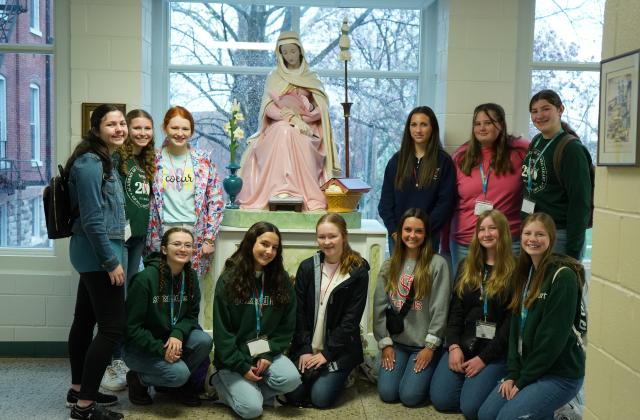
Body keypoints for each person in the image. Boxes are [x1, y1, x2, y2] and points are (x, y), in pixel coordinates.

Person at [478, 213, 585, 420]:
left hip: (559, 374)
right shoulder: (524, 273)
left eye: (540, 234)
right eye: (527, 233)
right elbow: (515, 330)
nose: (532, 239)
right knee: (486, 414)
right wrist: (512, 374)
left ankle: (563, 411)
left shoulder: (562, 277)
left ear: (551, 239)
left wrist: (522, 380)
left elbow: (551, 341)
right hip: (530, 368)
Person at [65, 104, 127, 420]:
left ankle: (78, 389)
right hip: (98, 255)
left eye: (121, 123)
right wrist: (110, 261)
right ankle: (85, 405)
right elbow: (91, 219)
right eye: (111, 124)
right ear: (96, 128)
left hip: (92, 254)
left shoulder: (102, 159)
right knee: (112, 328)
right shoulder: (91, 164)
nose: (119, 128)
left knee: (85, 320)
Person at [238, 30, 340, 211]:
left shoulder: (311, 78)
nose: (290, 56)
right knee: (284, 130)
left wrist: (309, 116)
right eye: (285, 52)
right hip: (280, 125)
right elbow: (268, 108)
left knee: (297, 136)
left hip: (308, 128)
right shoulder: (274, 77)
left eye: (293, 51)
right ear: (280, 54)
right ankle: (281, 188)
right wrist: (290, 118)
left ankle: (306, 193)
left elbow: (322, 108)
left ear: (300, 51)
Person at [430, 210, 515, 419]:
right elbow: (455, 310)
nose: (486, 234)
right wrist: (453, 346)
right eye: (482, 229)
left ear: (503, 232)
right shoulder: (466, 266)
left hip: (494, 351)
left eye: (492, 229)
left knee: (470, 409)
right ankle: (471, 382)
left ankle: (487, 380)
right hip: (465, 343)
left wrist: (483, 360)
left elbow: (510, 325)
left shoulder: (515, 270)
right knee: (442, 400)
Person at [211, 222, 301, 419]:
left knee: (292, 380)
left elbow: (287, 327)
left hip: (264, 349)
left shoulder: (281, 280)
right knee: (251, 410)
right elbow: (222, 332)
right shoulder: (228, 279)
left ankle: (251, 392)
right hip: (234, 357)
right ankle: (219, 382)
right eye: (264, 244)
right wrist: (241, 366)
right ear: (251, 243)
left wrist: (268, 354)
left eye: (274, 247)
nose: (269, 251)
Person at [286, 213, 370, 408]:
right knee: (294, 394)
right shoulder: (307, 267)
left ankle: (341, 373)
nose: (326, 242)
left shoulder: (358, 272)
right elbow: (298, 312)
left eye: (332, 236)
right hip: (308, 345)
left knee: (320, 399)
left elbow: (351, 320)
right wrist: (305, 349)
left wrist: (327, 354)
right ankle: (315, 373)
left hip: (338, 349)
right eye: (321, 237)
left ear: (344, 236)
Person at [101, 109, 157, 392]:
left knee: (130, 302)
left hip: (138, 240)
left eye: (147, 128)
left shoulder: (144, 160)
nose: (142, 133)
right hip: (118, 240)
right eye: (137, 128)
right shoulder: (115, 158)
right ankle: (112, 362)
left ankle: (125, 358)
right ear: (127, 129)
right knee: (117, 302)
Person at [123, 227, 212, 407]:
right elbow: (131, 328)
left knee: (203, 340)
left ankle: (174, 384)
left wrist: (178, 333)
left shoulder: (191, 276)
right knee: (179, 374)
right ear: (164, 249)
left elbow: (191, 315)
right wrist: (161, 350)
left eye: (188, 245)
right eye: (177, 244)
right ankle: (138, 379)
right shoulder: (144, 279)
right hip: (140, 348)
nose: (183, 249)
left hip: (170, 340)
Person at [373, 208, 451, 407]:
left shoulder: (437, 264)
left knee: (409, 397)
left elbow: (440, 309)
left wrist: (430, 347)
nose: (412, 235)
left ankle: (429, 373)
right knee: (388, 393)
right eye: (408, 230)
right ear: (399, 232)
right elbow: (379, 307)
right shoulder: (389, 265)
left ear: (426, 235)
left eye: (419, 231)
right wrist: (385, 343)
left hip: (422, 346)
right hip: (397, 343)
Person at [146, 106, 224, 276]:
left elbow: (215, 200)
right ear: (165, 128)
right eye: (174, 128)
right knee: (161, 285)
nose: (180, 133)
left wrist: (210, 237)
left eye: (185, 128)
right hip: (162, 231)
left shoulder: (203, 160)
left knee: (191, 288)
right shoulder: (152, 159)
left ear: (191, 130)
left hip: (195, 232)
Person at [450, 103, 529, 271]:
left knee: (508, 295)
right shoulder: (460, 157)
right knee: (465, 293)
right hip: (466, 241)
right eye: (477, 124)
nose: (482, 128)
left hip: (507, 240)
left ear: (500, 124)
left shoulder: (520, 153)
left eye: (488, 122)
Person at [522, 89, 592, 261]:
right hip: (534, 231)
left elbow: (580, 202)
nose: (539, 116)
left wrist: (573, 250)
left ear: (560, 109)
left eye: (545, 109)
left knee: (557, 286)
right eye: (534, 111)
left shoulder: (571, 149)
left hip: (559, 235)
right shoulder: (537, 141)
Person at [378, 106, 455, 253]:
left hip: (428, 237)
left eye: (423, 125)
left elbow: (445, 203)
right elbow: (385, 203)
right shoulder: (397, 161)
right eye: (414, 125)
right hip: (399, 237)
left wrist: (423, 232)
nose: (418, 130)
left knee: (424, 276)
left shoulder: (443, 161)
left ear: (432, 128)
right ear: (408, 128)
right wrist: (394, 231)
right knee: (399, 276)